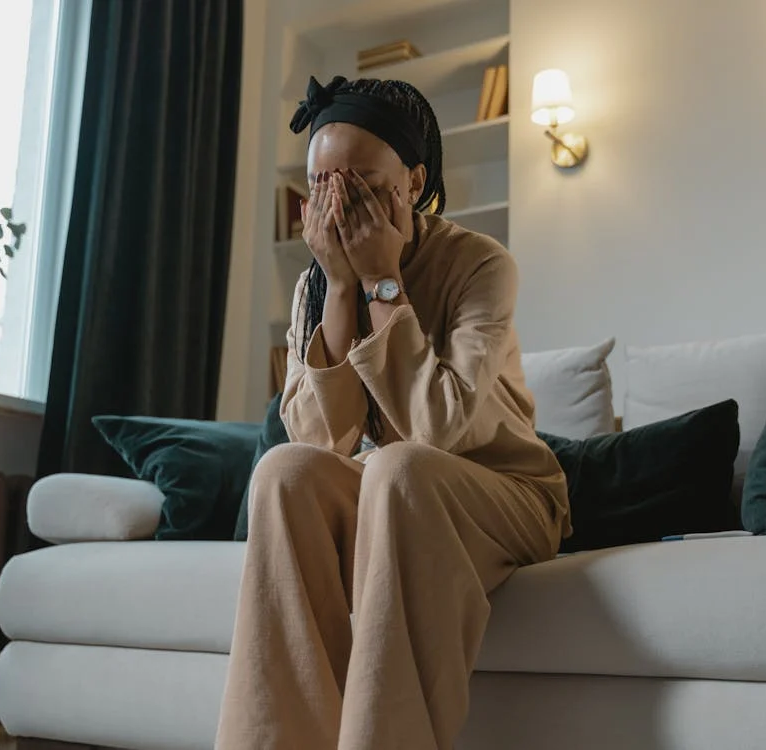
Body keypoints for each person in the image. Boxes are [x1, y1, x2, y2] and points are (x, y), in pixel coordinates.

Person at [215, 75, 570, 750]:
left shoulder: (480, 265)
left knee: (401, 466)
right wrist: (341, 290)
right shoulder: (313, 284)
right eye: (324, 186)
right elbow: (322, 440)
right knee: (283, 471)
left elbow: (438, 430)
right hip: (396, 493)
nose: (344, 203)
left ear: (412, 181)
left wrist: (383, 283)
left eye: (367, 184)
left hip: (504, 495)